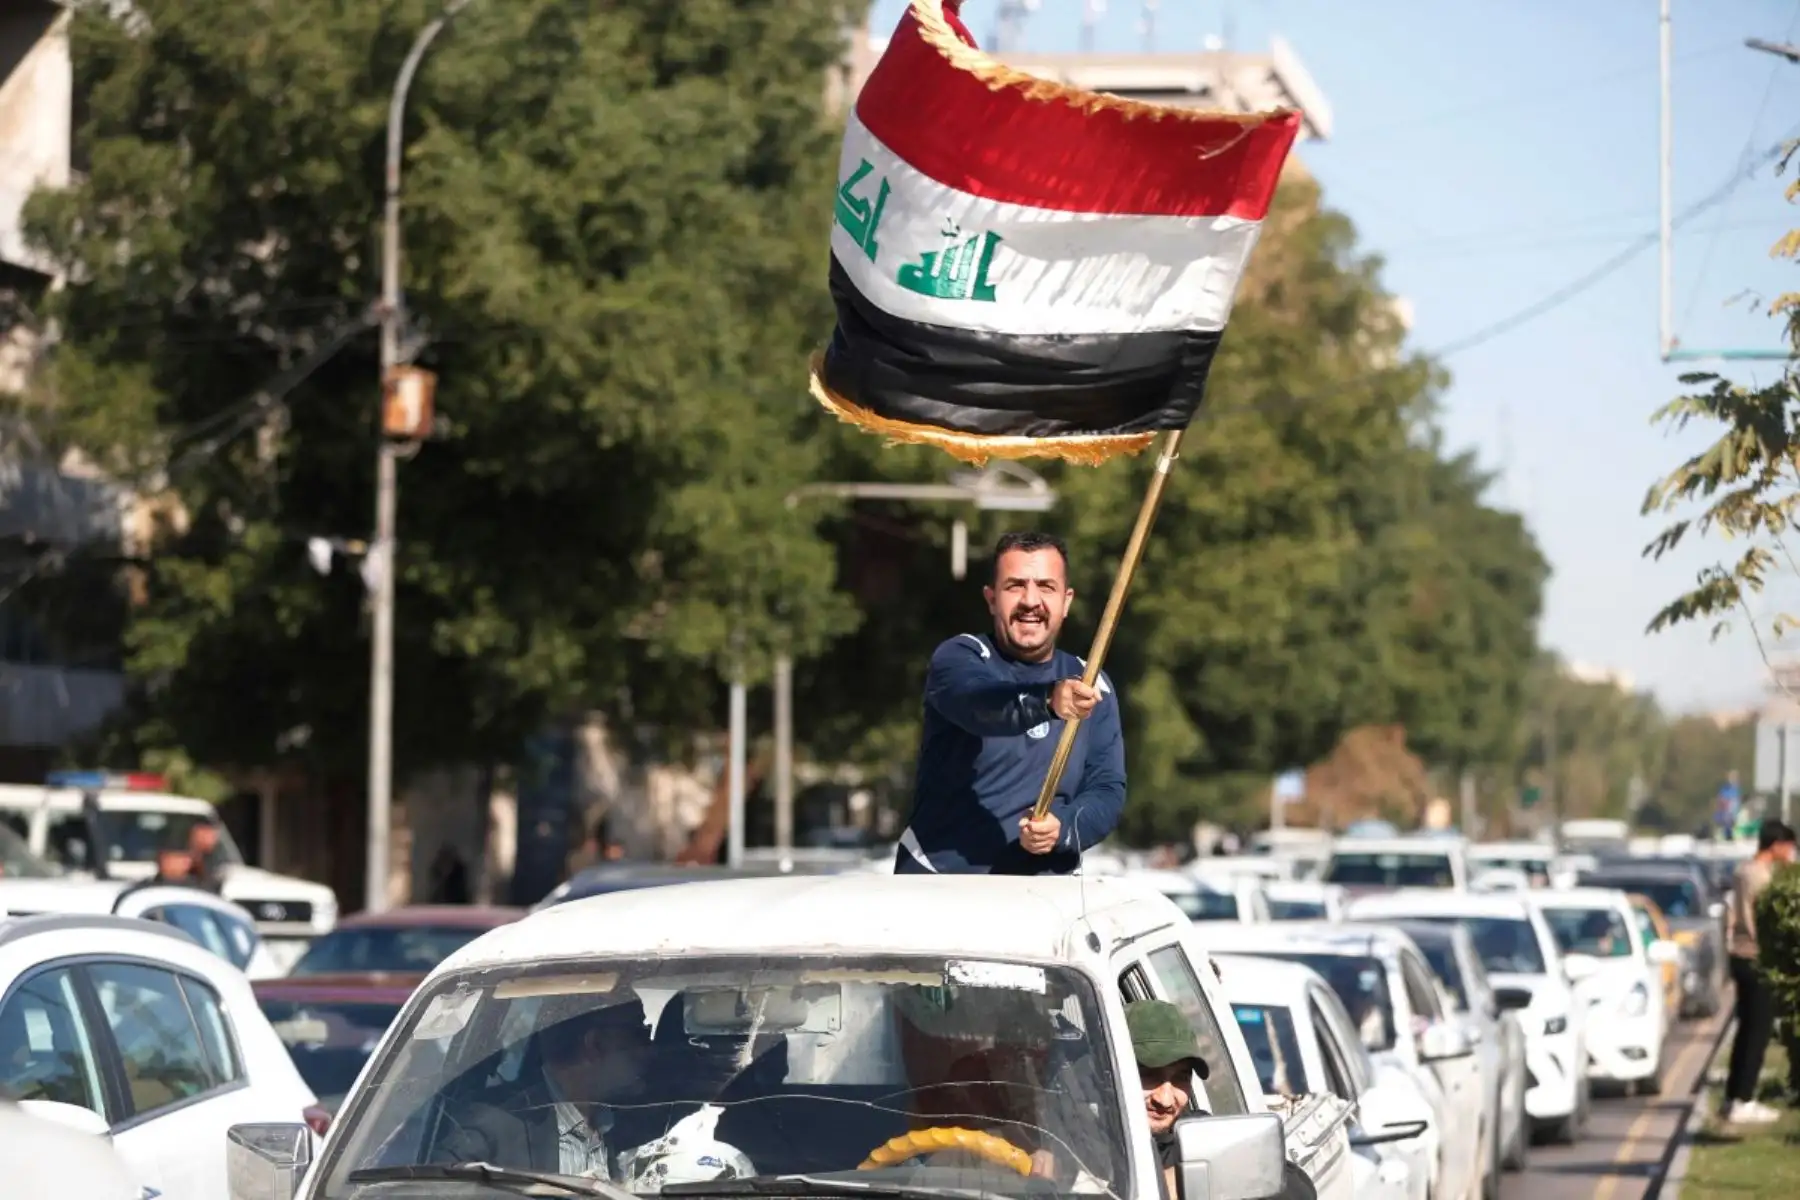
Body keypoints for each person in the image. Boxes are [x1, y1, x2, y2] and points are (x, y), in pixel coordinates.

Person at [896, 532, 1126, 875]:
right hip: (942, 885)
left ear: (1066, 601)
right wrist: (1047, 700)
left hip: (1045, 894)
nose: (1030, 601)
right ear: (991, 599)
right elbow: (980, 706)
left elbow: (1106, 790)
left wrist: (1061, 829)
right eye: (1015, 586)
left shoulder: (1092, 682)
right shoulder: (960, 657)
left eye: (1046, 587)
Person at [436, 995, 661, 1176]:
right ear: (596, 1045)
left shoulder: (635, 1128)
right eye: (639, 1036)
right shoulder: (491, 1129)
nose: (650, 1051)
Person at [1722, 819, 1798, 1124]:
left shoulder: (1742, 871)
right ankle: (1744, 1099)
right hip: (1755, 956)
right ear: (1777, 845)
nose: (1792, 853)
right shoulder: (1761, 877)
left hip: (1739, 955)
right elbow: (1765, 918)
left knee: (1746, 1029)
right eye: (1790, 846)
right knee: (1758, 1031)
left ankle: (1733, 1097)